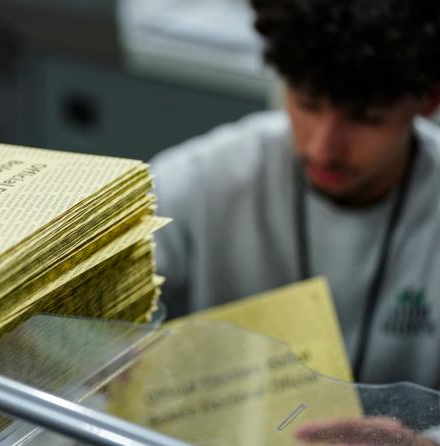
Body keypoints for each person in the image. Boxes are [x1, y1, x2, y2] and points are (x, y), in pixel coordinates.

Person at [152, 0, 440, 389]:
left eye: (366, 118)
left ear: (428, 100)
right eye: (306, 104)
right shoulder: (210, 178)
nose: (323, 149)